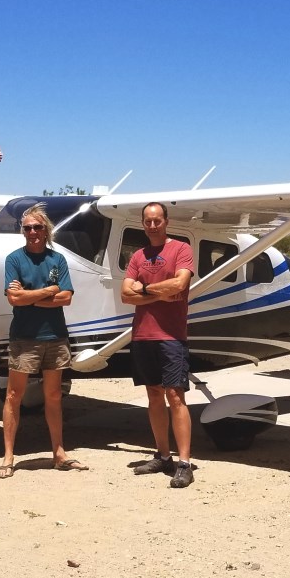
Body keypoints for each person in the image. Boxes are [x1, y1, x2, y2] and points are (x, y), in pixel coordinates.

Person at [0, 204, 86, 479]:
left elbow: (67, 298)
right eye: (27, 228)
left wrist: (28, 296)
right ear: (22, 231)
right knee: (14, 396)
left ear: (46, 230)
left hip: (55, 337)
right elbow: (13, 299)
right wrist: (48, 290)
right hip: (24, 338)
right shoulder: (14, 259)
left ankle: (58, 453)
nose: (33, 232)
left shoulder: (57, 260)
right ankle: (9, 456)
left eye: (37, 227)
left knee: (54, 396)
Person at [121, 202, 196, 488]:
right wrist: (158, 293)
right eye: (148, 221)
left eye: (157, 221)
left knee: (175, 396)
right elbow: (126, 295)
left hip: (171, 336)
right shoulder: (138, 256)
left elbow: (179, 285)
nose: (153, 225)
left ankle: (185, 462)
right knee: (154, 395)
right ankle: (163, 455)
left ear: (166, 221)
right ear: (143, 224)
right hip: (142, 335)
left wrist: (145, 289)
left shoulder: (181, 250)